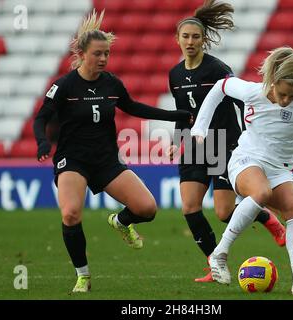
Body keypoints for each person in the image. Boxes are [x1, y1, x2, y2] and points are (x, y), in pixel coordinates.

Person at [33, 9, 192, 293]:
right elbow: (41, 118)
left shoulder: (111, 83)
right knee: (70, 214)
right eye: (98, 54)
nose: (104, 59)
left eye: (107, 53)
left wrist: (173, 115)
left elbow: (133, 108)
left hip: (106, 159)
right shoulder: (64, 85)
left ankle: (120, 222)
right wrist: (43, 143)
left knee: (147, 208)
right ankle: (83, 275)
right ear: (82, 54)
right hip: (73, 160)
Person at [191, 46, 293, 295]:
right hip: (246, 159)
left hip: (280, 168)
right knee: (261, 192)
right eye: (283, 94)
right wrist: (199, 128)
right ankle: (219, 254)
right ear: (272, 82)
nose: (287, 100)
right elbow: (219, 88)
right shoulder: (253, 91)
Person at [167, 0, 286, 283]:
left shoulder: (218, 69)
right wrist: (176, 139)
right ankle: (215, 265)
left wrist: (252, 135)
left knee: (222, 212)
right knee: (190, 207)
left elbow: (243, 101)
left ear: (204, 39)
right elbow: (183, 111)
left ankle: (266, 217)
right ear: (177, 39)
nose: (190, 41)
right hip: (193, 144)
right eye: (185, 36)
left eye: (196, 36)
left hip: (224, 143)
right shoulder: (174, 74)